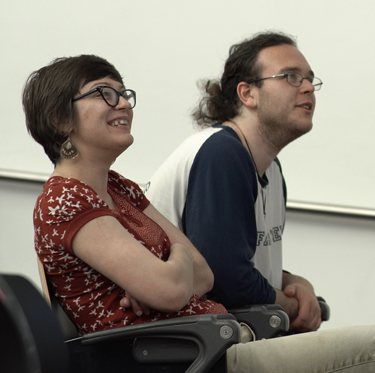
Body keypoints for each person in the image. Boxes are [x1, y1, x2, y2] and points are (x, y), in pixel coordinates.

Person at [23, 53, 375, 372]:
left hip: (212, 344)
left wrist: (162, 277)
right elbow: (172, 291)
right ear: (59, 118)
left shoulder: (121, 188)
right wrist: (170, 266)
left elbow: (204, 274)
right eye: (104, 93)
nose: (123, 105)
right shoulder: (66, 200)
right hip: (175, 357)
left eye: (124, 94)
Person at [145, 31, 320, 332]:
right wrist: (294, 306)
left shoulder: (271, 169)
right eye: (291, 77)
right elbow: (228, 282)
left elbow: (241, 262)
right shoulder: (222, 154)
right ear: (247, 94)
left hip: (226, 334)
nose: (307, 88)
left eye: (310, 79)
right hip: (181, 341)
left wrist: (291, 281)